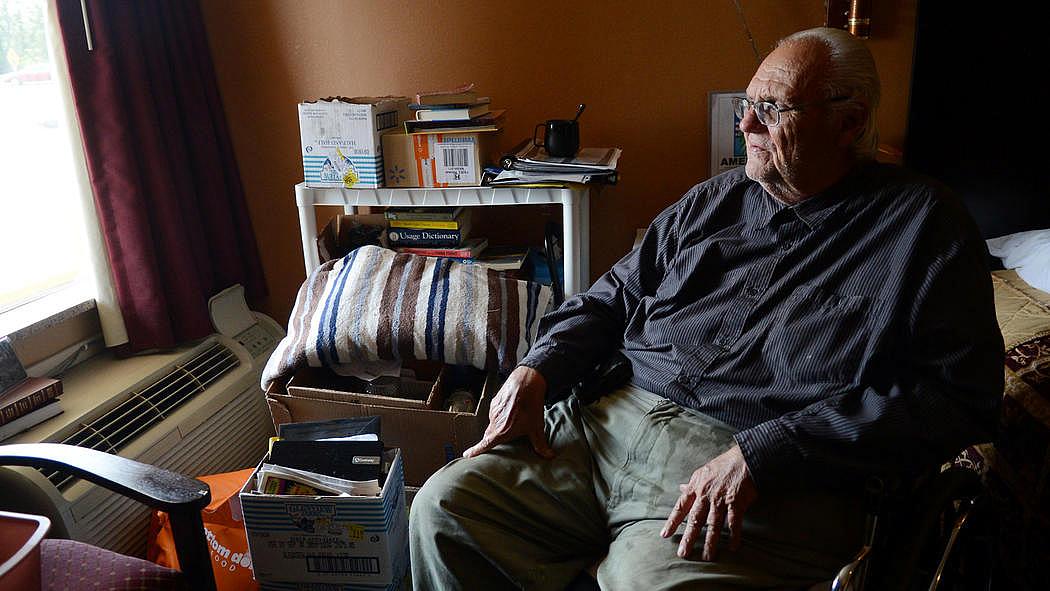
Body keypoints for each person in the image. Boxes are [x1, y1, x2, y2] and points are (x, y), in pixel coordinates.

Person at [409, 27, 1003, 590]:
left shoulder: (923, 226)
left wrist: (770, 451)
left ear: (848, 123)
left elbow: (957, 398)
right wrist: (536, 369)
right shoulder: (712, 201)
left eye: (771, 110)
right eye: (747, 104)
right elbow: (612, 296)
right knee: (447, 510)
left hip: (757, 467)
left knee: (644, 584)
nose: (745, 123)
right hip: (604, 428)